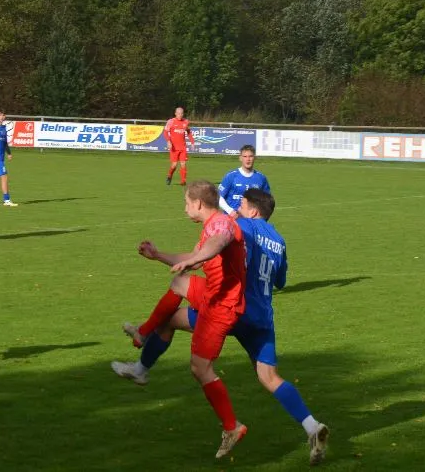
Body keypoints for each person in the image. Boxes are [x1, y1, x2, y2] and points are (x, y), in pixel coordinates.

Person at [112, 189, 329, 465]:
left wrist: (187, 257)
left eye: (242, 204)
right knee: (269, 377)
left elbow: (213, 246)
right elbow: (281, 282)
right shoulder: (279, 241)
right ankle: (312, 427)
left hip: (233, 309)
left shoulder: (242, 226)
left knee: (175, 317)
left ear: (252, 210)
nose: (237, 208)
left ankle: (142, 364)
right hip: (262, 318)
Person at [120, 180, 248, 458]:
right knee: (179, 283)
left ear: (198, 203)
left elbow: (218, 242)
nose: (185, 208)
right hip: (212, 293)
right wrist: (158, 255)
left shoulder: (221, 224)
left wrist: (193, 260)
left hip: (222, 306)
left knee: (200, 369)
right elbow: (197, 258)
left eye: (187, 203)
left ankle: (232, 427)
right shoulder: (211, 225)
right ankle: (143, 336)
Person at [218, 145, 271, 219]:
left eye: (250, 156)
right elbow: (218, 196)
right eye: (245, 156)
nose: (248, 159)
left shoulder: (261, 178)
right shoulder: (231, 176)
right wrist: (230, 211)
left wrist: (262, 218)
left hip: (252, 221)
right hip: (231, 219)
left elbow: (267, 201)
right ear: (240, 158)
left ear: (255, 158)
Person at [163, 107, 195, 186]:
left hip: (183, 147)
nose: (180, 115)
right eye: (178, 113)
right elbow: (165, 132)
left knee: (183, 164)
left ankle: (183, 181)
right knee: (174, 165)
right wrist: (168, 141)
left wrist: (192, 142)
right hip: (174, 148)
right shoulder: (171, 122)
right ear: (175, 113)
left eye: (181, 113)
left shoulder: (186, 122)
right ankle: (169, 175)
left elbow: (189, 132)